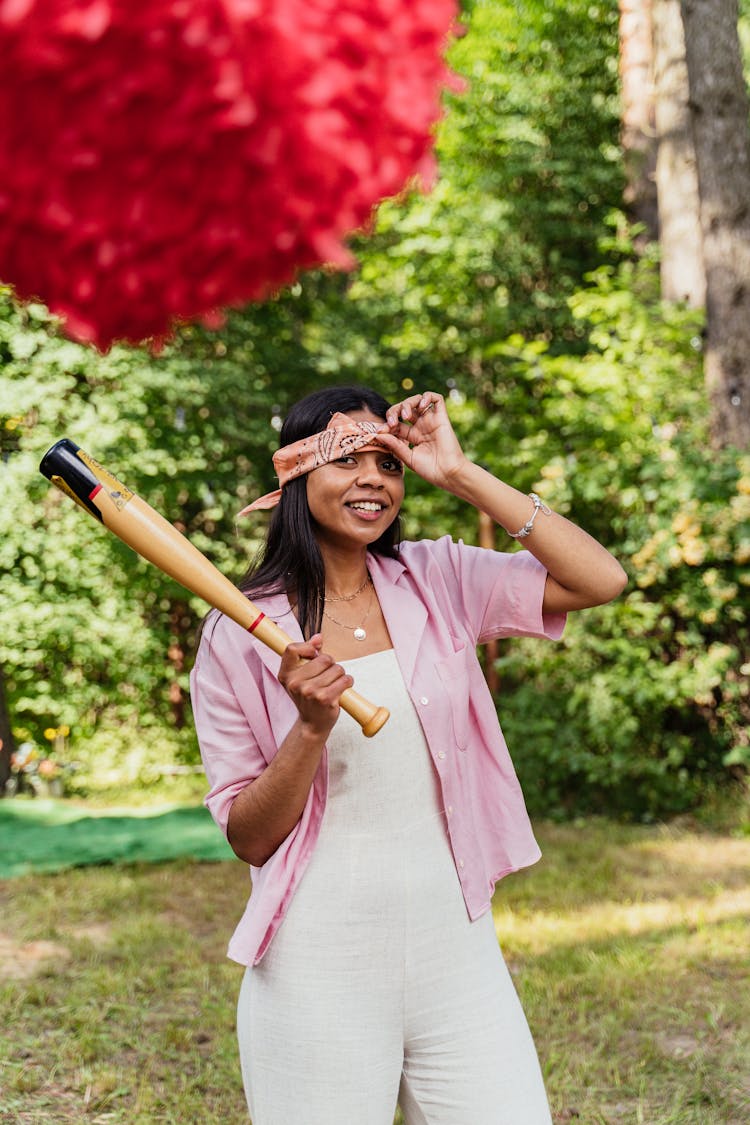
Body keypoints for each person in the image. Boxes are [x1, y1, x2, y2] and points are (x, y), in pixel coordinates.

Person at [190, 384, 627, 1125]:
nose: (373, 479)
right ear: (295, 477)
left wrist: (458, 472)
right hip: (318, 961)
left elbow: (600, 579)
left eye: (388, 464)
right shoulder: (238, 632)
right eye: (348, 460)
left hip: (457, 948)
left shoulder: (439, 577)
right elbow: (249, 836)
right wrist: (308, 728)